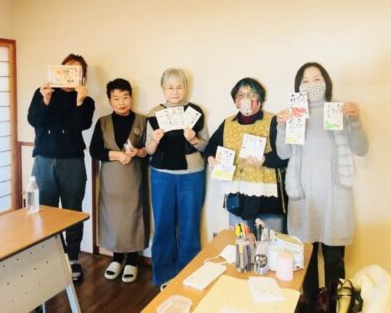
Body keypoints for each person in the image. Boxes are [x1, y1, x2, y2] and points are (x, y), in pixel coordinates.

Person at [275, 62, 369, 310]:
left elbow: (361, 148)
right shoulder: (294, 114)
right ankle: (311, 307)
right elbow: (283, 153)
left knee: (334, 261)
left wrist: (355, 120)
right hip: (304, 196)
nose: (312, 84)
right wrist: (281, 126)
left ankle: (336, 306)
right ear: (298, 86)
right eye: (305, 81)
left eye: (317, 79)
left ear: (326, 82)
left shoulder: (338, 110)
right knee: (305, 261)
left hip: (335, 196)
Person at [27, 53, 95, 283]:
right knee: (44, 212)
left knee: (72, 211)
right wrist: (45, 100)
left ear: (82, 76)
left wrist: (80, 102)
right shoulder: (43, 92)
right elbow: (34, 120)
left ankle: (72, 259)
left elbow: (81, 125)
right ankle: (48, 258)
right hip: (44, 160)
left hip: (72, 161)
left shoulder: (86, 99)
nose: (70, 76)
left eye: (77, 72)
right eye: (67, 70)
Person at [146, 68, 208, 289]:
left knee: (189, 226)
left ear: (186, 88)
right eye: (170, 87)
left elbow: (206, 146)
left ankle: (187, 277)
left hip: (192, 175)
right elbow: (148, 150)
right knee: (163, 225)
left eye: (179, 86)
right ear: (163, 89)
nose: (175, 91)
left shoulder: (195, 112)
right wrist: (154, 140)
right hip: (161, 175)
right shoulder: (154, 113)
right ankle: (163, 276)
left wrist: (193, 139)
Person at [204, 78, 288, 233]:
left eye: (251, 95)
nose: (246, 100)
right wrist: (211, 159)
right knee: (240, 242)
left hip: (266, 197)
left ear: (259, 101)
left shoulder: (273, 121)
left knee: (270, 242)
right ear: (236, 102)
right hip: (237, 197)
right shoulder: (228, 123)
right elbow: (210, 148)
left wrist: (264, 160)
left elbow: (286, 157)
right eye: (241, 95)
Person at [89, 78, 149, 283]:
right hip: (110, 179)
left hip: (134, 178)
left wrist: (138, 152)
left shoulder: (142, 121)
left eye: (125, 97)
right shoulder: (103, 122)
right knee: (112, 216)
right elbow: (94, 150)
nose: (121, 102)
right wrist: (117, 155)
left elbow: (149, 150)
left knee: (133, 216)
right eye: (116, 98)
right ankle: (116, 258)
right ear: (109, 101)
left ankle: (132, 260)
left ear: (131, 97)